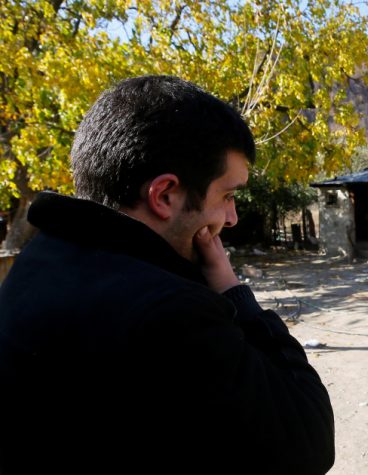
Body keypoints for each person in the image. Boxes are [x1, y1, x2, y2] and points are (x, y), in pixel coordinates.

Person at [0, 76, 334, 474]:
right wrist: (233, 291)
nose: (231, 218)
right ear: (164, 195)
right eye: (227, 196)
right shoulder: (170, 311)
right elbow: (307, 442)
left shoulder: (44, 255)